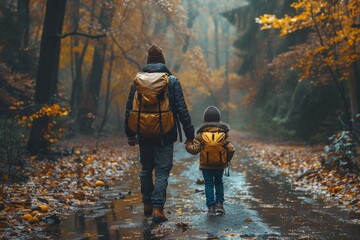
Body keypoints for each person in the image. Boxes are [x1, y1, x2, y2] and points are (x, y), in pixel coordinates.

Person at [125, 44, 195, 223]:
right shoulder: (171, 81)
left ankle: (147, 204)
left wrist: (130, 134)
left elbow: (129, 109)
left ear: (148, 62)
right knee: (162, 171)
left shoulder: (138, 81)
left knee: (146, 168)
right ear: (163, 62)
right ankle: (158, 209)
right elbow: (181, 109)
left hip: (143, 132)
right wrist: (190, 135)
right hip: (165, 133)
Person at [185, 106, 235, 216]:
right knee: (219, 183)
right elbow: (231, 149)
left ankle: (211, 208)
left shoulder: (201, 134)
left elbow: (194, 150)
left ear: (204, 120)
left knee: (208, 184)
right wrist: (226, 160)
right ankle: (220, 206)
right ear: (219, 120)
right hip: (220, 165)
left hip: (206, 166)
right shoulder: (223, 133)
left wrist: (188, 144)